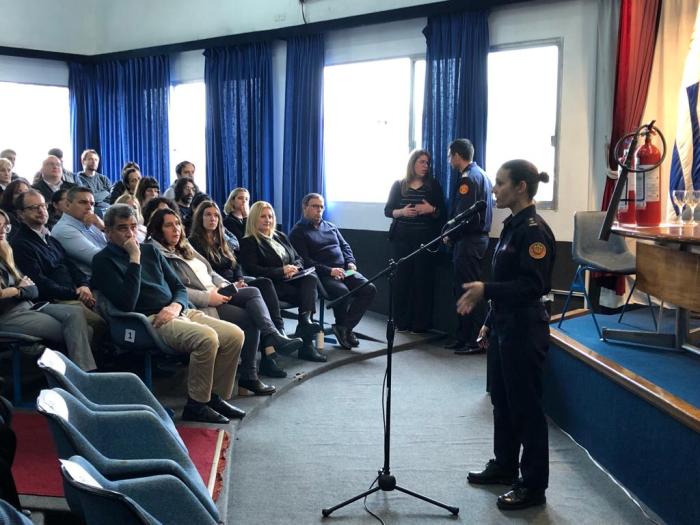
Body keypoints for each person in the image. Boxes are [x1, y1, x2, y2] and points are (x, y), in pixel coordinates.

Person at [457, 159, 555, 511]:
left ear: (521, 187)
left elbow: (532, 286)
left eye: (500, 183)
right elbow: (504, 287)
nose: (494, 189)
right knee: (502, 400)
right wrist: (488, 321)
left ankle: (532, 486)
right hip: (503, 326)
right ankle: (504, 464)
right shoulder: (512, 226)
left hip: (525, 329)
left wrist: (486, 288)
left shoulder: (534, 232)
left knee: (526, 408)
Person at [92, 204, 246, 424]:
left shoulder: (151, 251)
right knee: (207, 338)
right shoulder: (103, 260)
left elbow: (179, 288)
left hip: (177, 311)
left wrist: (176, 306)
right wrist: (134, 258)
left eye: (133, 227)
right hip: (149, 320)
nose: (130, 233)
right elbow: (126, 303)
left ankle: (213, 397)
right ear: (107, 232)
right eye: (122, 228)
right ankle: (197, 404)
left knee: (234, 335)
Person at [147, 208, 302, 394]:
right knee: (250, 317)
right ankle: (251, 373)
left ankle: (270, 338)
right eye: (169, 225)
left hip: (217, 291)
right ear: (158, 229)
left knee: (253, 290)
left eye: (178, 224)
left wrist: (227, 285)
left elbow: (210, 272)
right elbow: (176, 290)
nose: (176, 229)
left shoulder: (185, 246)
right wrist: (209, 297)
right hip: (201, 303)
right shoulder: (157, 254)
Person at [189, 201, 291, 378]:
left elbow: (236, 265)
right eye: (208, 215)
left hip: (235, 284)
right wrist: (231, 285)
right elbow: (207, 274)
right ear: (200, 218)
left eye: (215, 215)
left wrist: (240, 279)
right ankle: (273, 337)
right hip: (217, 289)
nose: (212, 218)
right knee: (257, 298)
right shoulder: (193, 243)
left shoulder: (222, 238)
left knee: (264, 284)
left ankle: (273, 339)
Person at [11, 190, 107, 354]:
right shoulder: (21, 244)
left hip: (73, 293)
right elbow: (40, 283)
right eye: (34, 207)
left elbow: (70, 266)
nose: (41, 211)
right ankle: (85, 369)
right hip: (54, 299)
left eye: (43, 206)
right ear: (20, 214)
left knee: (110, 307)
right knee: (98, 322)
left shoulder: (49, 238)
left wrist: (83, 285)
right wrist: (75, 293)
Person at [0, 209, 95, 370]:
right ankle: (81, 378)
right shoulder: (18, 245)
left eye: (5, 226)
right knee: (78, 331)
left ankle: (76, 376)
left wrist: (18, 290)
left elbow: (32, 289)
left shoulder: (6, 251)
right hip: (7, 315)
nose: (3, 231)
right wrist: (18, 290)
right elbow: (11, 292)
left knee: (77, 315)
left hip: (29, 305)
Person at [239, 201, 325, 362]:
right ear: (254, 219)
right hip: (271, 287)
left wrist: (295, 268)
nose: (268, 220)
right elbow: (252, 269)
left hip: (290, 283)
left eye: (270, 216)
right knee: (306, 295)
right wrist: (281, 271)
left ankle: (305, 322)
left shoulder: (280, 236)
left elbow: (298, 258)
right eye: (263, 216)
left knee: (310, 278)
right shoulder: (249, 241)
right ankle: (282, 335)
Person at [290, 193, 376, 349]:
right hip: (322, 275)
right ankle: (344, 329)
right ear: (305, 207)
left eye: (321, 207)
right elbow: (305, 261)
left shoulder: (330, 226)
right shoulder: (298, 232)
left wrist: (350, 262)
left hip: (344, 271)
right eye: (315, 206)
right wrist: (330, 271)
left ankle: (345, 328)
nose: (319, 210)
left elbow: (345, 247)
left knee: (369, 289)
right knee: (342, 292)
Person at [384, 149, 445, 333]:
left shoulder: (433, 185)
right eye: (422, 162)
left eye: (427, 163)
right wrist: (402, 212)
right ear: (412, 163)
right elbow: (388, 211)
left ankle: (420, 324)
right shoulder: (398, 185)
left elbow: (442, 212)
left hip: (424, 241)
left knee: (422, 282)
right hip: (401, 240)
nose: (425, 166)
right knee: (402, 281)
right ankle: (401, 322)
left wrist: (431, 209)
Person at [444, 138, 494, 354]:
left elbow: (466, 218)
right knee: (465, 289)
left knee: (467, 291)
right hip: (477, 241)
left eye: (449, 155)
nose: (449, 160)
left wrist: (450, 236)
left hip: (468, 242)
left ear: (456, 155)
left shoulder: (468, 179)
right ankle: (464, 337)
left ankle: (474, 340)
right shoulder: (481, 175)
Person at [51, 187, 107, 278]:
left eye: (92, 204)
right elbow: (100, 259)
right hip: (94, 283)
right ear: (68, 205)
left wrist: (103, 227)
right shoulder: (63, 229)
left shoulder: (92, 221)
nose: (89, 207)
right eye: (83, 202)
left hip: (110, 274)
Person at [32, 156, 75, 229]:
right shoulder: (33, 190)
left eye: (58, 165)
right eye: (50, 164)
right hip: (48, 227)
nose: (55, 166)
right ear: (42, 169)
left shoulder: (73, 188)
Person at [76, 149, 111, 217]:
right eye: (91, 159)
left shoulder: (104, 179)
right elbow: (87, 198)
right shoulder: (77, 178)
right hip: (90, 211)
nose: (94, 162)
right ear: (83, 161)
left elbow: (111, 196)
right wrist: (105, 193)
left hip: (107, 209)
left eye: (96, 160)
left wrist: (97, 197)